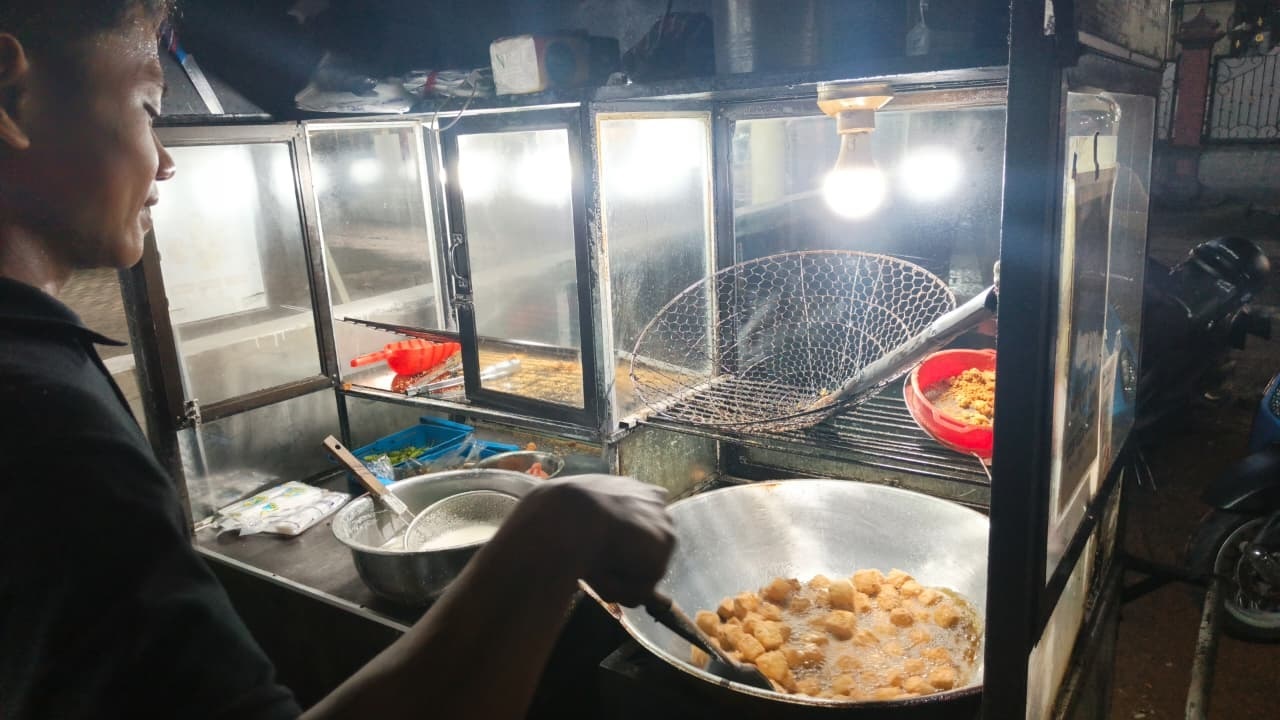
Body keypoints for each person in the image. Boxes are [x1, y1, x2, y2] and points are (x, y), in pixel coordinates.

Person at [0, 2, 676, 718]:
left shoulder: (41, 379)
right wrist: (550, 533)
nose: (166, 160)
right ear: (12, 99)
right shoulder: (40, 422)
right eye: (146, 105)